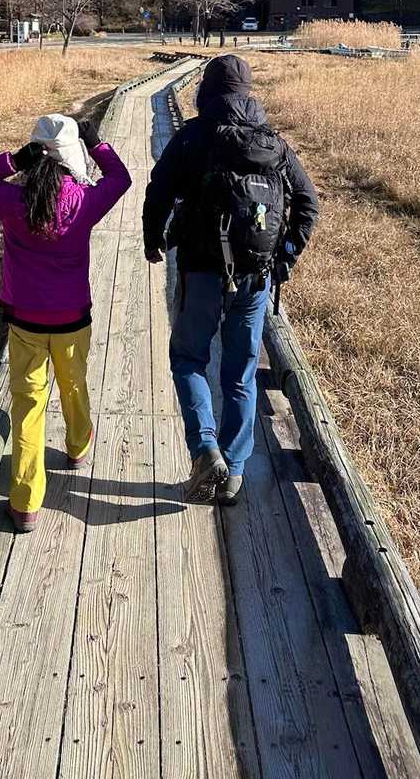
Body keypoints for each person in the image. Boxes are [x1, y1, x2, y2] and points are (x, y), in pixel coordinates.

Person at [143, 55, 318, 505]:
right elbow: (308, 204)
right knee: (240, 374)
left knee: (188, 359)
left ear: (208, 91)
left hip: (201, 270)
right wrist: (284, 257)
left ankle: (205, 448)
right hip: (256, 276)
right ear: (247, 92)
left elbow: (159, 189)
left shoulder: (192, 137)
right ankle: (234, 472)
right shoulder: (273, 143)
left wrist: (153, 238)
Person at [0, 114, 131, 533]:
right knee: (74, 383)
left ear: (34, 155)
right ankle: (77, 446)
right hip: (72, 317)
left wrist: (12, 161)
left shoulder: (13, 202)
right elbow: (121, 178)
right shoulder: (84, 201)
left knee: (28, 405)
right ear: (72, 156)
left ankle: (24, 503)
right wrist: (96, 143)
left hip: (25, 321)